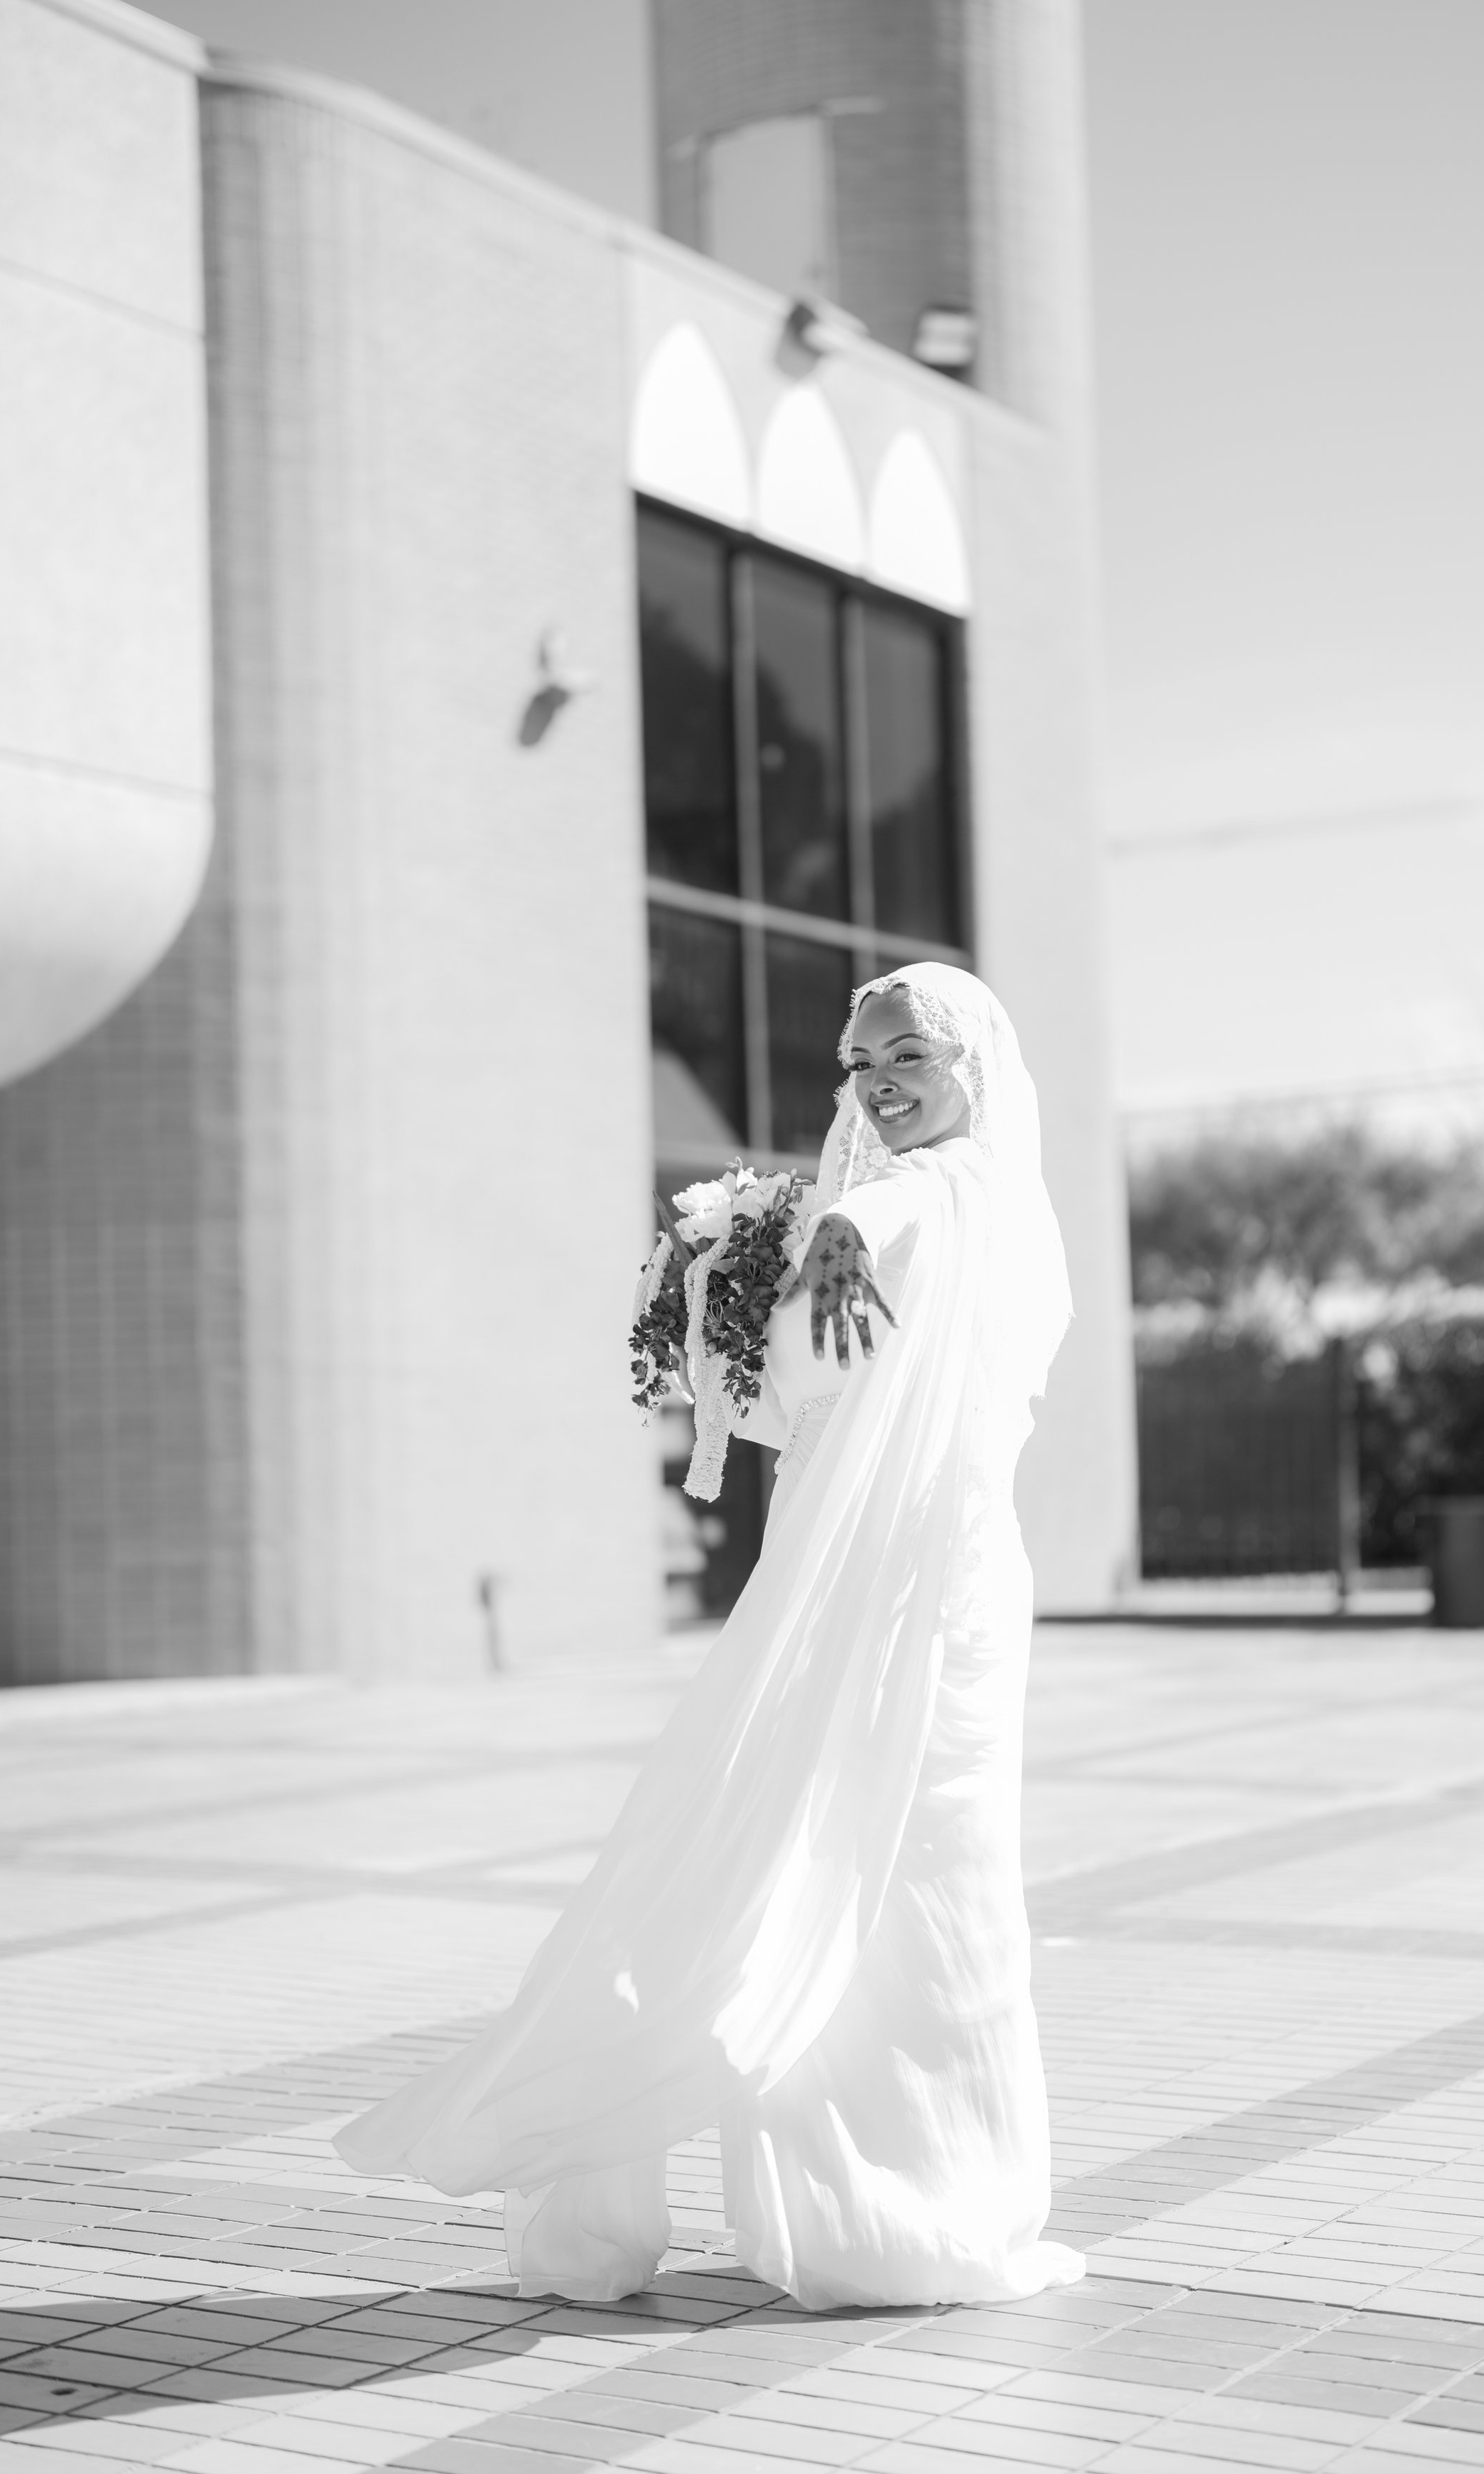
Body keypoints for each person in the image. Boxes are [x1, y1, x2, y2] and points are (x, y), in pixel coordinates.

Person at [337, 963, 1084, 2311]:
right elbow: (809, 1385)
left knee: (941, 1880)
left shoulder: (979, 1203)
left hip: (952, 1595)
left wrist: (834, 1231)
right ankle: (878, 2209)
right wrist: (749, 1271)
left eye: (904, 1051)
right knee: (830, 1859)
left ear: (974, 1055)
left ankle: (924, 2197)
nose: (876, 1083)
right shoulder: (887, 1203)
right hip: (859, 1580)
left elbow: (916, 1252)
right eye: (858, 1066)